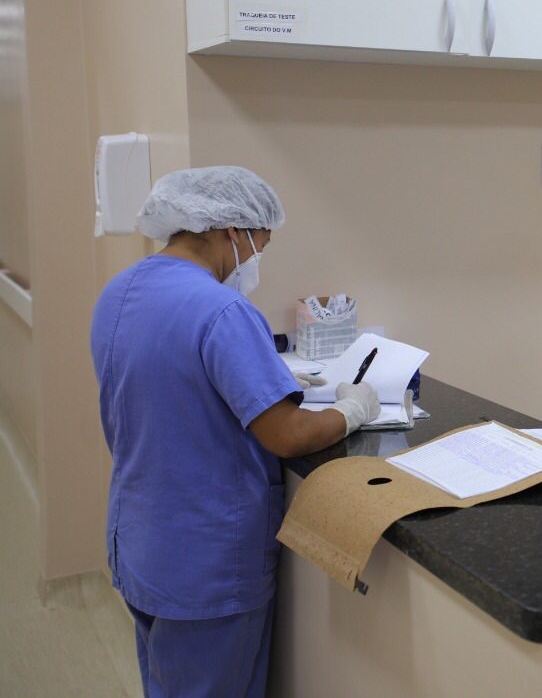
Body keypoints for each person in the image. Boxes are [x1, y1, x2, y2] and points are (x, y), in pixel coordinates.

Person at [90, 166, 381, 697]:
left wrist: (257, 381)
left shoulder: (119, 291)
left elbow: (168, 388)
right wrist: (351, 411)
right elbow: (287, 434)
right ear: (232, 230)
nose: (255, 261)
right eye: (259, 246)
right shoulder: (222, 310)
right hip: (206, 568)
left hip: (141, 547)